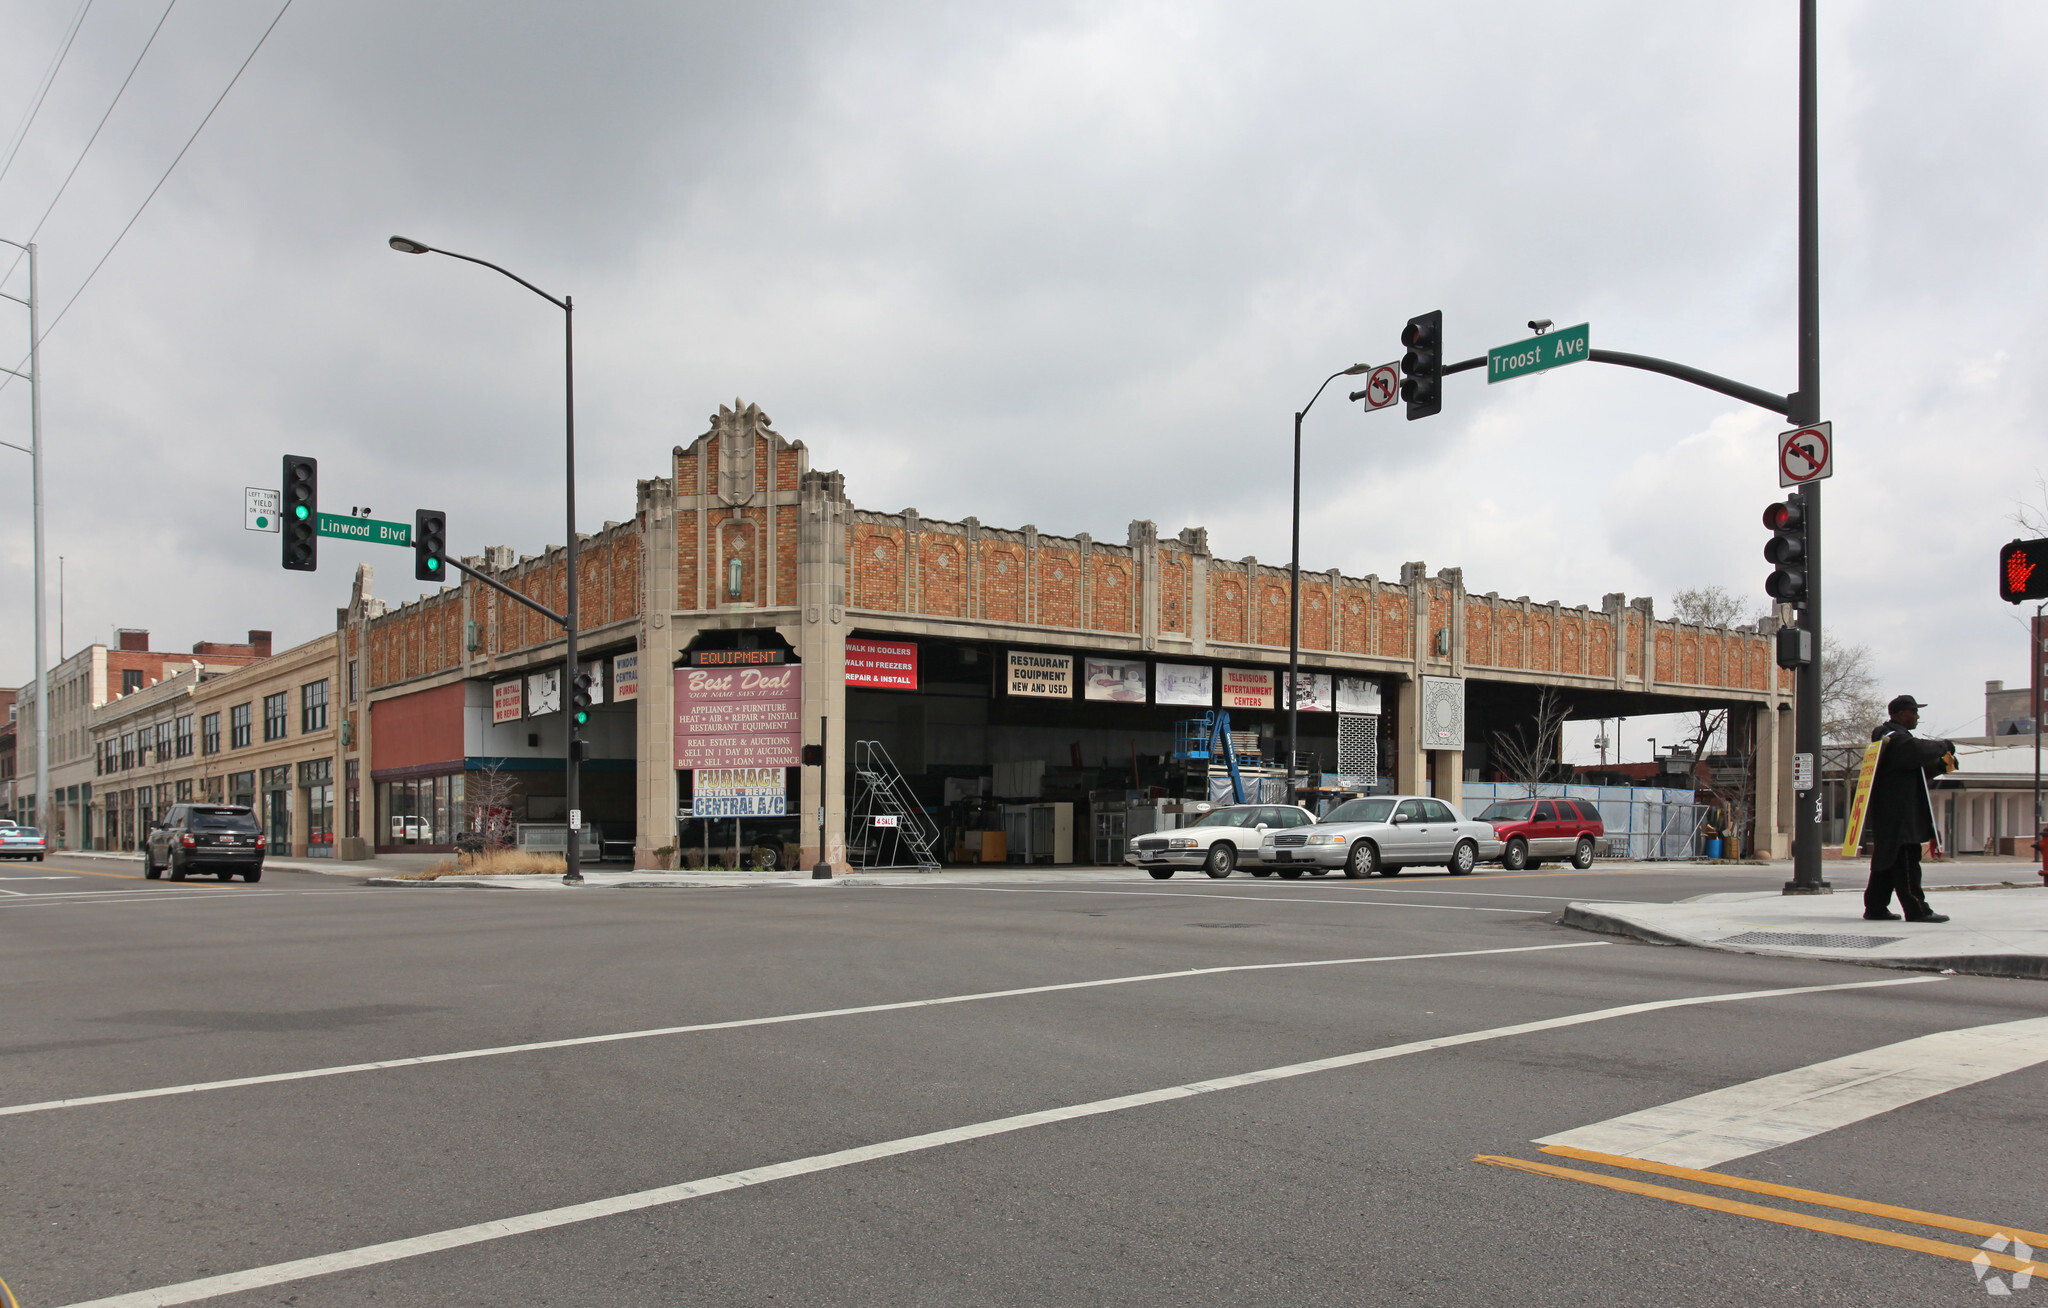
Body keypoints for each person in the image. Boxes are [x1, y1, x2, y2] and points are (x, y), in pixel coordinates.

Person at [1862, 694, 1957, 923]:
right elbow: (1916, 749)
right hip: (1901, 816)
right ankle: (1917, 909)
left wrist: (1939, 765)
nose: (1917, 716)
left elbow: (1911, 771)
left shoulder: (1886, 739)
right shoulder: (1896, 738)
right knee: (1906, 861)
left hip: (1890, 814)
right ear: (1900, 714)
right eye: (1913, 711)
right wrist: (1944, 746)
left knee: (1886, 862)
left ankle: (1875, 907)